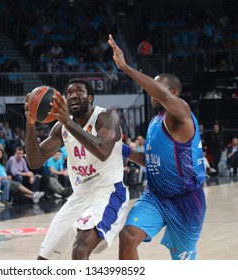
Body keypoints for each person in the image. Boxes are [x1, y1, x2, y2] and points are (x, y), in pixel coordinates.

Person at [108, 34, 206, 260]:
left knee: (183, 265)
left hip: (186, 200)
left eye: (158, 86)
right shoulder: (155, 122)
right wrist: (118, 148)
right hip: (156, 196)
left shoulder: (181, 113)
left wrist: (125, 67)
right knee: (128, 236)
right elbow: (150, 161)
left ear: (174, 93)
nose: (152, 91)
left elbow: (159, 93)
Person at [25, 78, 130, 260]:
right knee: (44, 259)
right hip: (79, 195)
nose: (73, 96)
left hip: (108, 192)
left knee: (80, 248)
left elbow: (103, 151)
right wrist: (30, 125)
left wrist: (68, 122)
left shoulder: (107, 117)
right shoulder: (61, 127)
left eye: (79, 92)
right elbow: (35, 161)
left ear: (90, 98)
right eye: (69, 93)